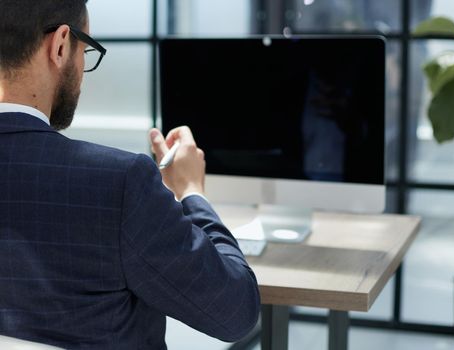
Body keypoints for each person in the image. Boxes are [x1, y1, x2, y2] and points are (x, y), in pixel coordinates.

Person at [0, 1, 260, 349]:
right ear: (61, 45)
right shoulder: (117, 183)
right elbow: (235, 312)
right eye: (85, 49)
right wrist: (192, 191)